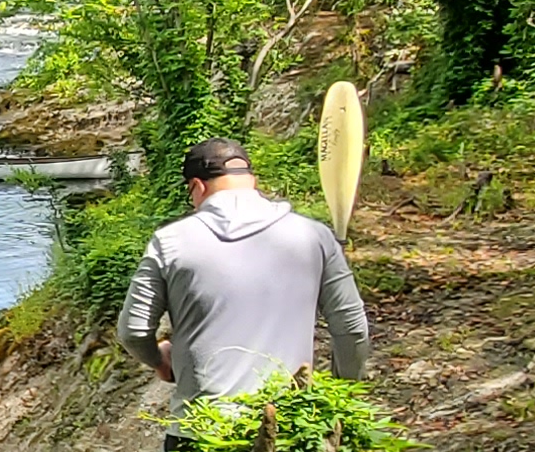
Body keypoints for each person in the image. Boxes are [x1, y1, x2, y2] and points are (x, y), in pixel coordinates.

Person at [118, 139, 371, 398]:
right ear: (253, 180)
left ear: (197, 186)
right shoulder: (314, 236)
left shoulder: (170, 241)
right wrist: (342, 396)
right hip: (292, 419)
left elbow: (134, 331)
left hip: (203, 426)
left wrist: (159, 360)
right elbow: (352, 328)